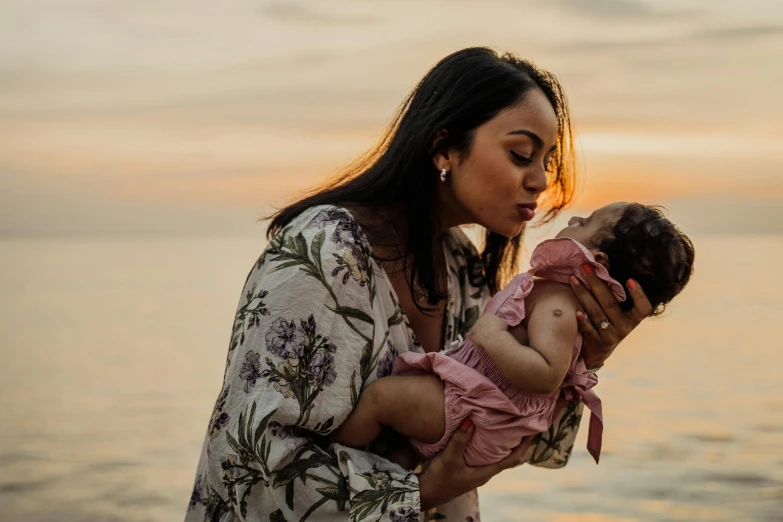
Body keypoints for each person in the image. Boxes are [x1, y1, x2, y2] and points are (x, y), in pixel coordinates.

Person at [185, 47, 655, 522]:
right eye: (520, 154)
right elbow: (250, 469)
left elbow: (521, 440)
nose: (540, 181)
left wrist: (584, 356)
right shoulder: (321, 255)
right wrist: (425, 489)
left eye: (546, 162)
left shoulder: (460, 266)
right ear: (444, 148)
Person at [330, 202, 695, 468]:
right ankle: (390, 474)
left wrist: (491, 336)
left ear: (595, 261)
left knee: (381, 398)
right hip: (475, 407)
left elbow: (547, 375)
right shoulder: (551, 293)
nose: (572, 218)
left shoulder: (559, 304)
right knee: (402, 455)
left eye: (585, 221)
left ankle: (330, 461)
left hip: (475, 410)